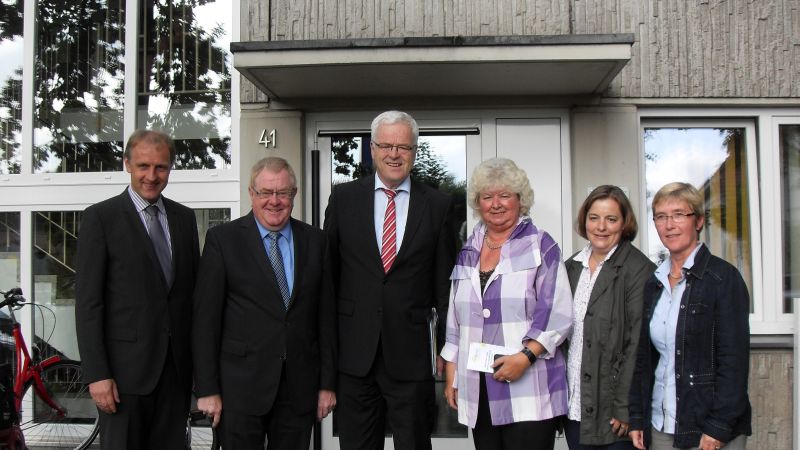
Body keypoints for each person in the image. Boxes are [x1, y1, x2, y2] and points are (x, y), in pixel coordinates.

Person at [323, 110, 456, 450]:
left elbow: (444, 288)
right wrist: (328, 354)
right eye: (386, 145)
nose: (394, 154)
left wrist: (447, 347)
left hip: (410, 355)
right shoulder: (343, 199)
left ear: (414, 151)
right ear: (372, 149)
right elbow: (328, 280)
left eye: (404, 147)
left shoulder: (439, 205)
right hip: (354, 356)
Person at [192, 157, 337, 449]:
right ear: (251, 194)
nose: (274, 201)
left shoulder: (316, 242)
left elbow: (326, 318)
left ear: (293, 195)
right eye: (266, 193)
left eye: (283, 193)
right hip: (239, 390)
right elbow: (205, 321)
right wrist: (207, 389)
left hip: (298, 389)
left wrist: (327, 384)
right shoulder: (223, 240)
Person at [75, 129, 200, 449]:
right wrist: (97, 374)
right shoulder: (100, 218)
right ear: (127, 164)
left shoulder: (185, 220)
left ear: (170, 169)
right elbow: (89, 303)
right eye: (143, 166)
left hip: (175, 376)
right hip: (122, 378)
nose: (151, 176)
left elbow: (190, 299)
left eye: (160, 167)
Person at [441, 157, 572, 450]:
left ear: (520, 200)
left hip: (528, 388)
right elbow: (455, 317)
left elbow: (557, 314)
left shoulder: (541, 245)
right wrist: (452, 371)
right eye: (487, 197)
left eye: (504, 195)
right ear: (478, 203)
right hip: (479, 386)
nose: (496, 204)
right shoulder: (469, 249)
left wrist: (524, 357)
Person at [628, 182, 751, 450]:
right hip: (661, 426)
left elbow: (734, 362)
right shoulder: (654, 283)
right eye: (661, 216)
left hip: (708, 429)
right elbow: (644, 360)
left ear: (698, 221)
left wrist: (718, 427)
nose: (669, 224)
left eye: (678, 214)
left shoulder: (723, 279)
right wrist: (637, 418)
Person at [563, 185, 656, 450]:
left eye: (611, 219)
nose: (601, 227)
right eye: (594, 218)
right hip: (575, 406)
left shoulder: (639, 270)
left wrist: (626, 407)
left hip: (614, 413)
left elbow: (637, 344)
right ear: (584, 221)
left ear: (624, 223)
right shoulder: (571, 267)